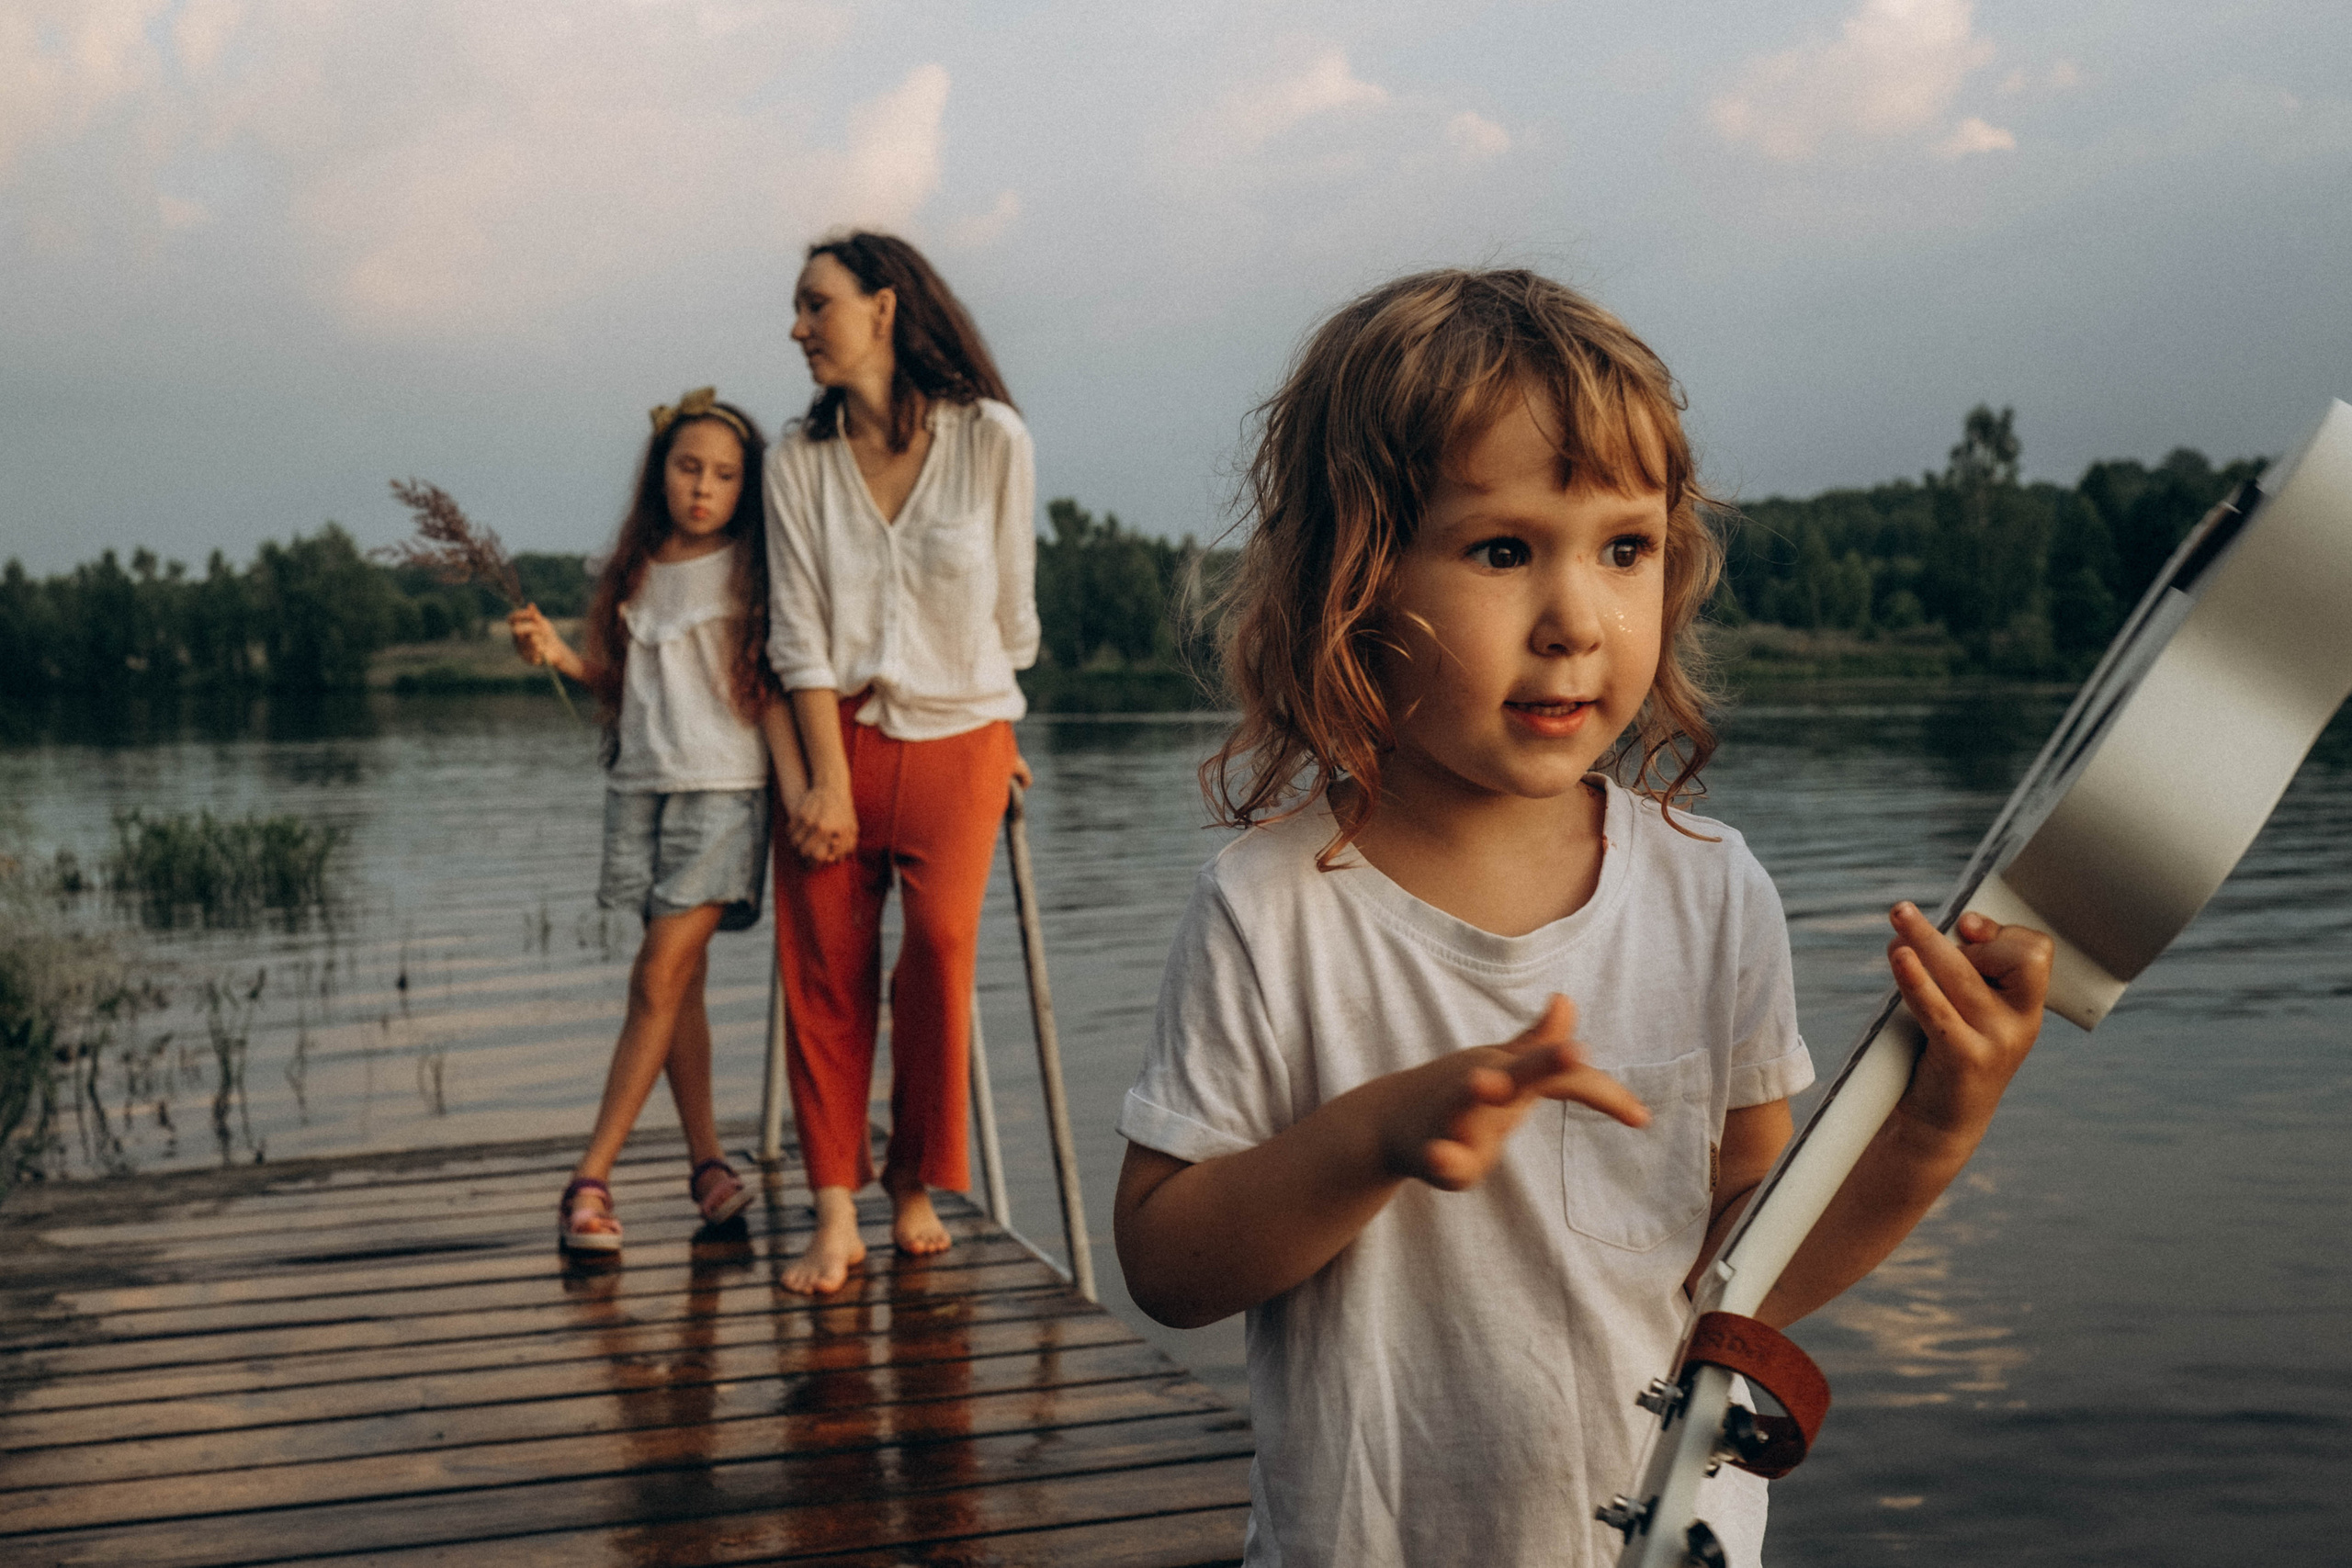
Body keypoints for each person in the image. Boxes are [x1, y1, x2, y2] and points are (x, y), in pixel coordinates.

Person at [1111, 270, 2054, 1567]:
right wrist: (1375, 1134)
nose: (1576, 620)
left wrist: (1938, 1125)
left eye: (1625, 547)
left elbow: (1740, 1267)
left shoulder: (1711, 890)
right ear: (1359, 580)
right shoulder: (1273, 906)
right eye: (1504, 549)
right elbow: (1166, 1259)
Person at [763, 231, 1039, 1294]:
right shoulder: (799, 463)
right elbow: (795, 633)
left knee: (938, 948)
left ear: (882, 309)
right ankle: (835, 1210)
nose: (797, 329)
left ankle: (913, 1178)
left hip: (964, 739)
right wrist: (823, 779)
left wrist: (1000, 734)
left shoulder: (992, 440)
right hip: (840, 738)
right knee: (823, 972)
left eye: (813, 305)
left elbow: (1012, 618)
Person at [510, 387, 807, 1254]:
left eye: (722, 474)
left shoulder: (754, 568)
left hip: (722, 789)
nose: (703, 488)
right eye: (688, 469)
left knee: (655, 974)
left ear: (744, 486)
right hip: (639, 788)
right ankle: (708, 1162)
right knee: (677, 987)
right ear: (660, 474)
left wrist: (802, 790)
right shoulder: (635, 569)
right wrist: (562, 657)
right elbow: (630, 688)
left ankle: (589, 1176)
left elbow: (773, 684)